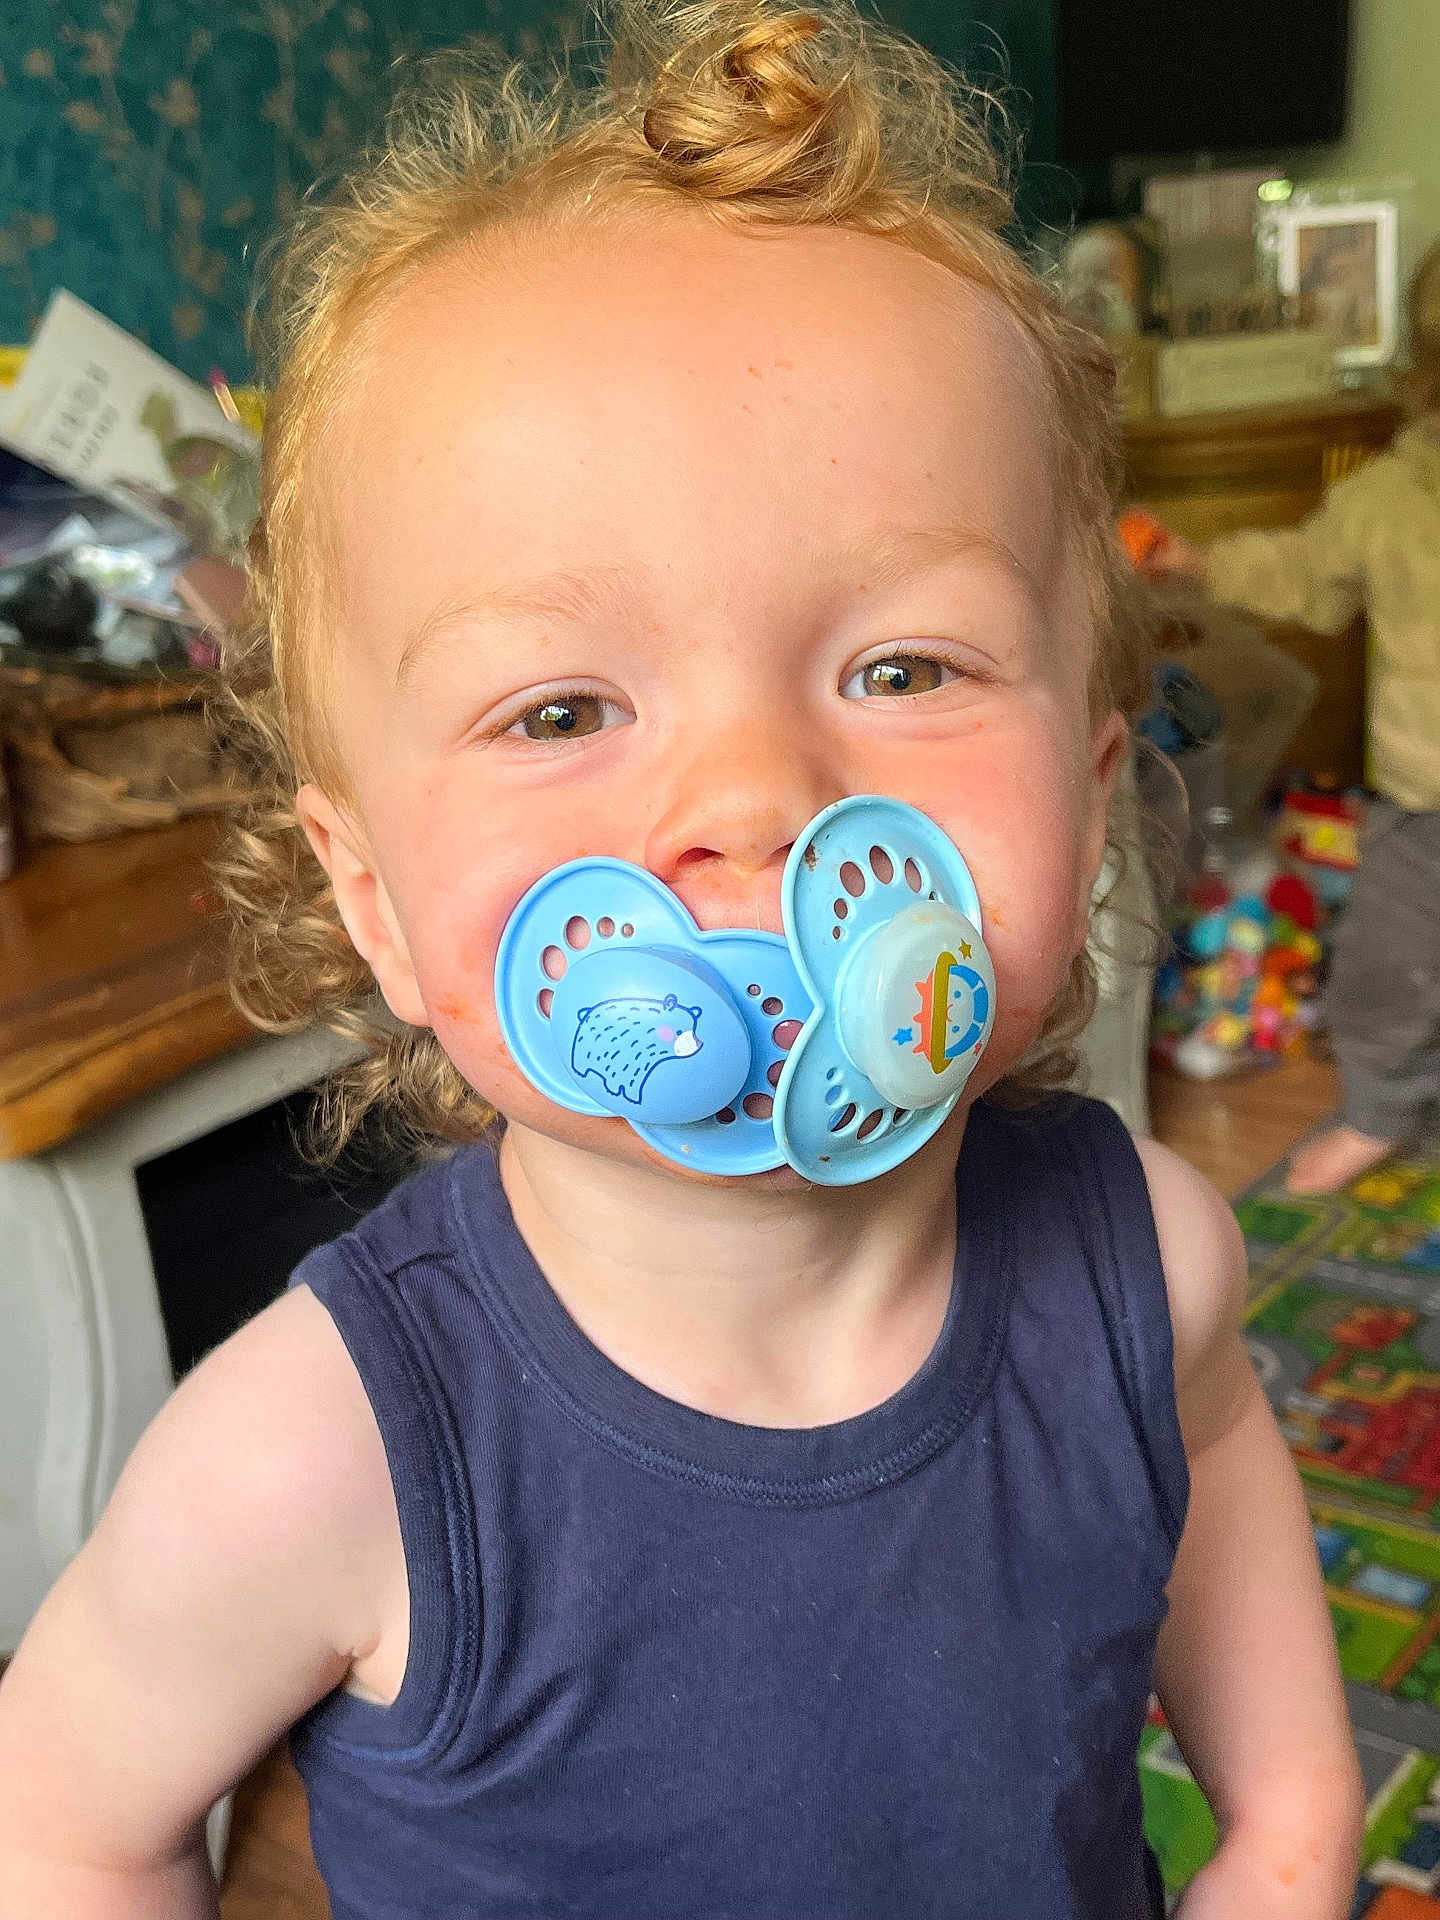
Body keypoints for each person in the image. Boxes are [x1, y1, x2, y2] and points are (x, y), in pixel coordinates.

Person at [0, 3, 1362, 1915]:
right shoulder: (314, 1455)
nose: (754, 794)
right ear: (373, 899)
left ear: (1092, 776)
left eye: (903, 669)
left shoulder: (1152, 1259)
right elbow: (61, 1825)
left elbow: (1224, 1514)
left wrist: (1290, 1838)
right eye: (560, 707)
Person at [1146, 239, 1440, 1196]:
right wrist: (1199, 565)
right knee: (1386, 973)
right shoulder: (1390, 495)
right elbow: (1304, 571)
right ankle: (1380, 1110)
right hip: (1420, 802)